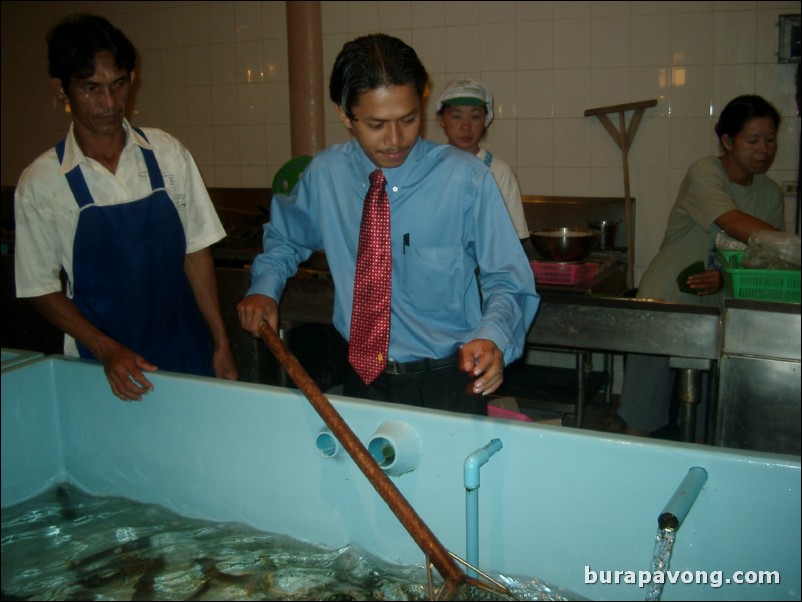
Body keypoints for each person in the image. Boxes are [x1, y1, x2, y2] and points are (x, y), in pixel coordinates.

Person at [238, 33, 539, 415]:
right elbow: (284, 236)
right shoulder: (326, 176)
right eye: (377, 124)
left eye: (409, 120)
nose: (396, 140)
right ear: (345, 115)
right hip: (364, 380)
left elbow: (509, 280)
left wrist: (493, 336)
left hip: (449, 379)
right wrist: (265, 286)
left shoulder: (465, 180)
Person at [14, 13, 238, 401]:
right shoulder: (42, 183)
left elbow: (196, 250)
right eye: (91, 88)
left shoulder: (167, 154)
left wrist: (220, 341)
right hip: (103, 370)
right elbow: (39, 288)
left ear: (132, 79)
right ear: (61, 90)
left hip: (186, 355)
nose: (110, 103)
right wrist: (105, 348)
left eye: (118, 84)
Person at [618, 94, 785, 437]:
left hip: (715, 316)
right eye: (752, 140)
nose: (763, 149)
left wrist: (724, 278)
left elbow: (767, 262)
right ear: (727, 140)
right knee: (643, 412)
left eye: (770, 140)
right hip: (664, 306)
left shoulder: (770, 194)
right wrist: (792, 245)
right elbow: (732, 222)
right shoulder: (705, 173)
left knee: (704, 419)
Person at [436, 78, 530, 244]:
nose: (466, 126)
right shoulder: (429, 169)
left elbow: (515, 240)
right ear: (441, 119)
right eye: (456, 116)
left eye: (475, 116)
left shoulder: (499, 172)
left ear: (486, 120)